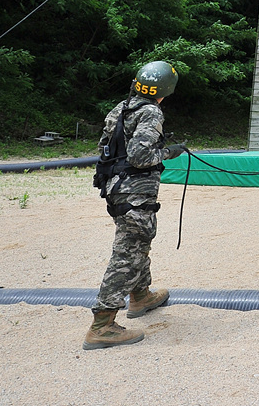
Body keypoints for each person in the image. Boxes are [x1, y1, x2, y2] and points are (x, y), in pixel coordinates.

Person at [84, 60, 186, 350]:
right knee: (126, 253)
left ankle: (141, 296)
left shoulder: (122, 107)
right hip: (134, 193)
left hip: (116, 189)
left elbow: (107, 148)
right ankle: (102, 325)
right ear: (165, 91)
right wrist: (169, 152)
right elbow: (140, 156)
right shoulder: (152, 111)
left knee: (138, 242)